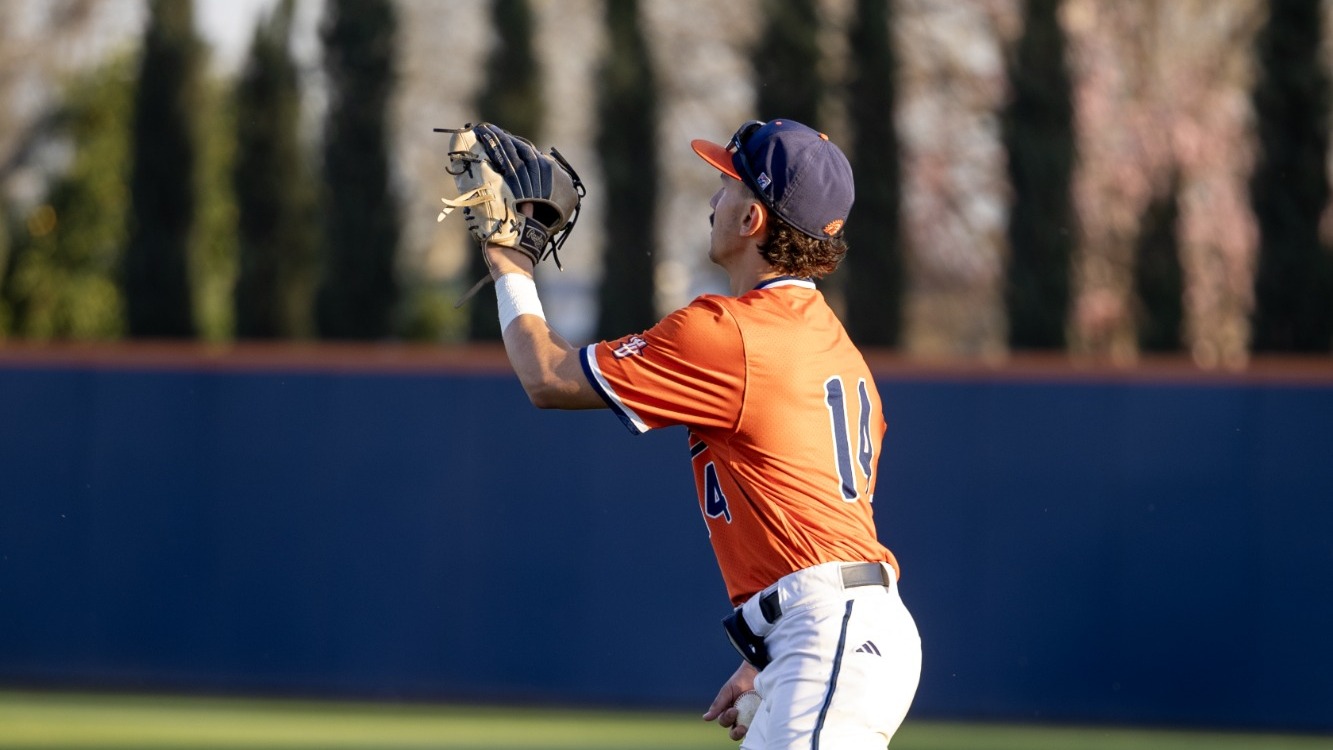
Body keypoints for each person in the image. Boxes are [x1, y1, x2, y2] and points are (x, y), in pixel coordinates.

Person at [479, 118, 921, 748]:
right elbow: (813, 526)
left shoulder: (731, 333)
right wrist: (766, 654)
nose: (715, 200)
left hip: (831, 638)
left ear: (752, 221)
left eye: (728, 185)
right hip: (837, 631)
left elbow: (547, 377)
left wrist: (509, 260)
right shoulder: (836, 349)